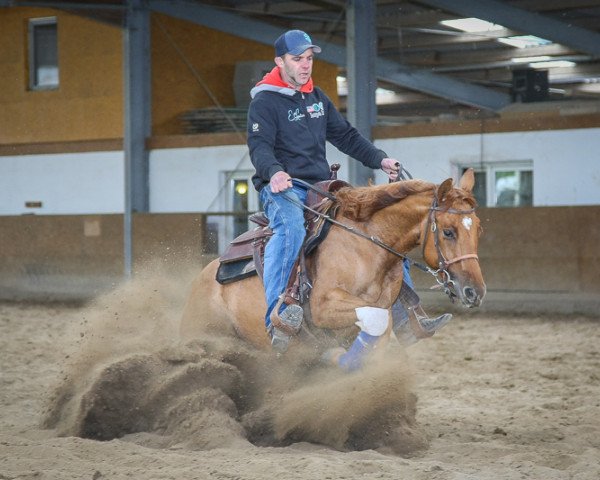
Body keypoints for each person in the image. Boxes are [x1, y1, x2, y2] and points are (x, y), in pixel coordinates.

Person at [246, 30, 451, 359]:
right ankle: (278, 316)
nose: (305, 65)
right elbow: (259, 147)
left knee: (384, 225)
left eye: (309, 58)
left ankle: (406, 317)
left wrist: (379, 158)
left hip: (322, 185)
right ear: (280, 61)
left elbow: (345, 136)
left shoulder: (316, 98)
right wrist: (275, 173)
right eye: (297, 59)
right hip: (283, 187)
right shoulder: (265, 101)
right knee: (291, 228)